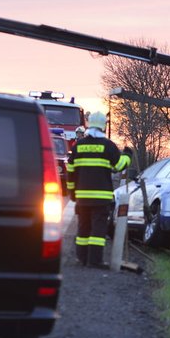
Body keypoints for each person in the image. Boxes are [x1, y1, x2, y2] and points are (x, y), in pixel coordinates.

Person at [66, 111, 130, 268]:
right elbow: (119, 166)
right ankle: (94, 261)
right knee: (97, 230)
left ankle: (81, 258)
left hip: (82, 197)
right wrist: (128, 155)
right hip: (101, 198)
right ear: (103, 126)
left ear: (88, 125)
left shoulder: (78, 146)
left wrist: (73, 193)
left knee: (83, 228)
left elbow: (71, 171)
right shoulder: (108, 146)